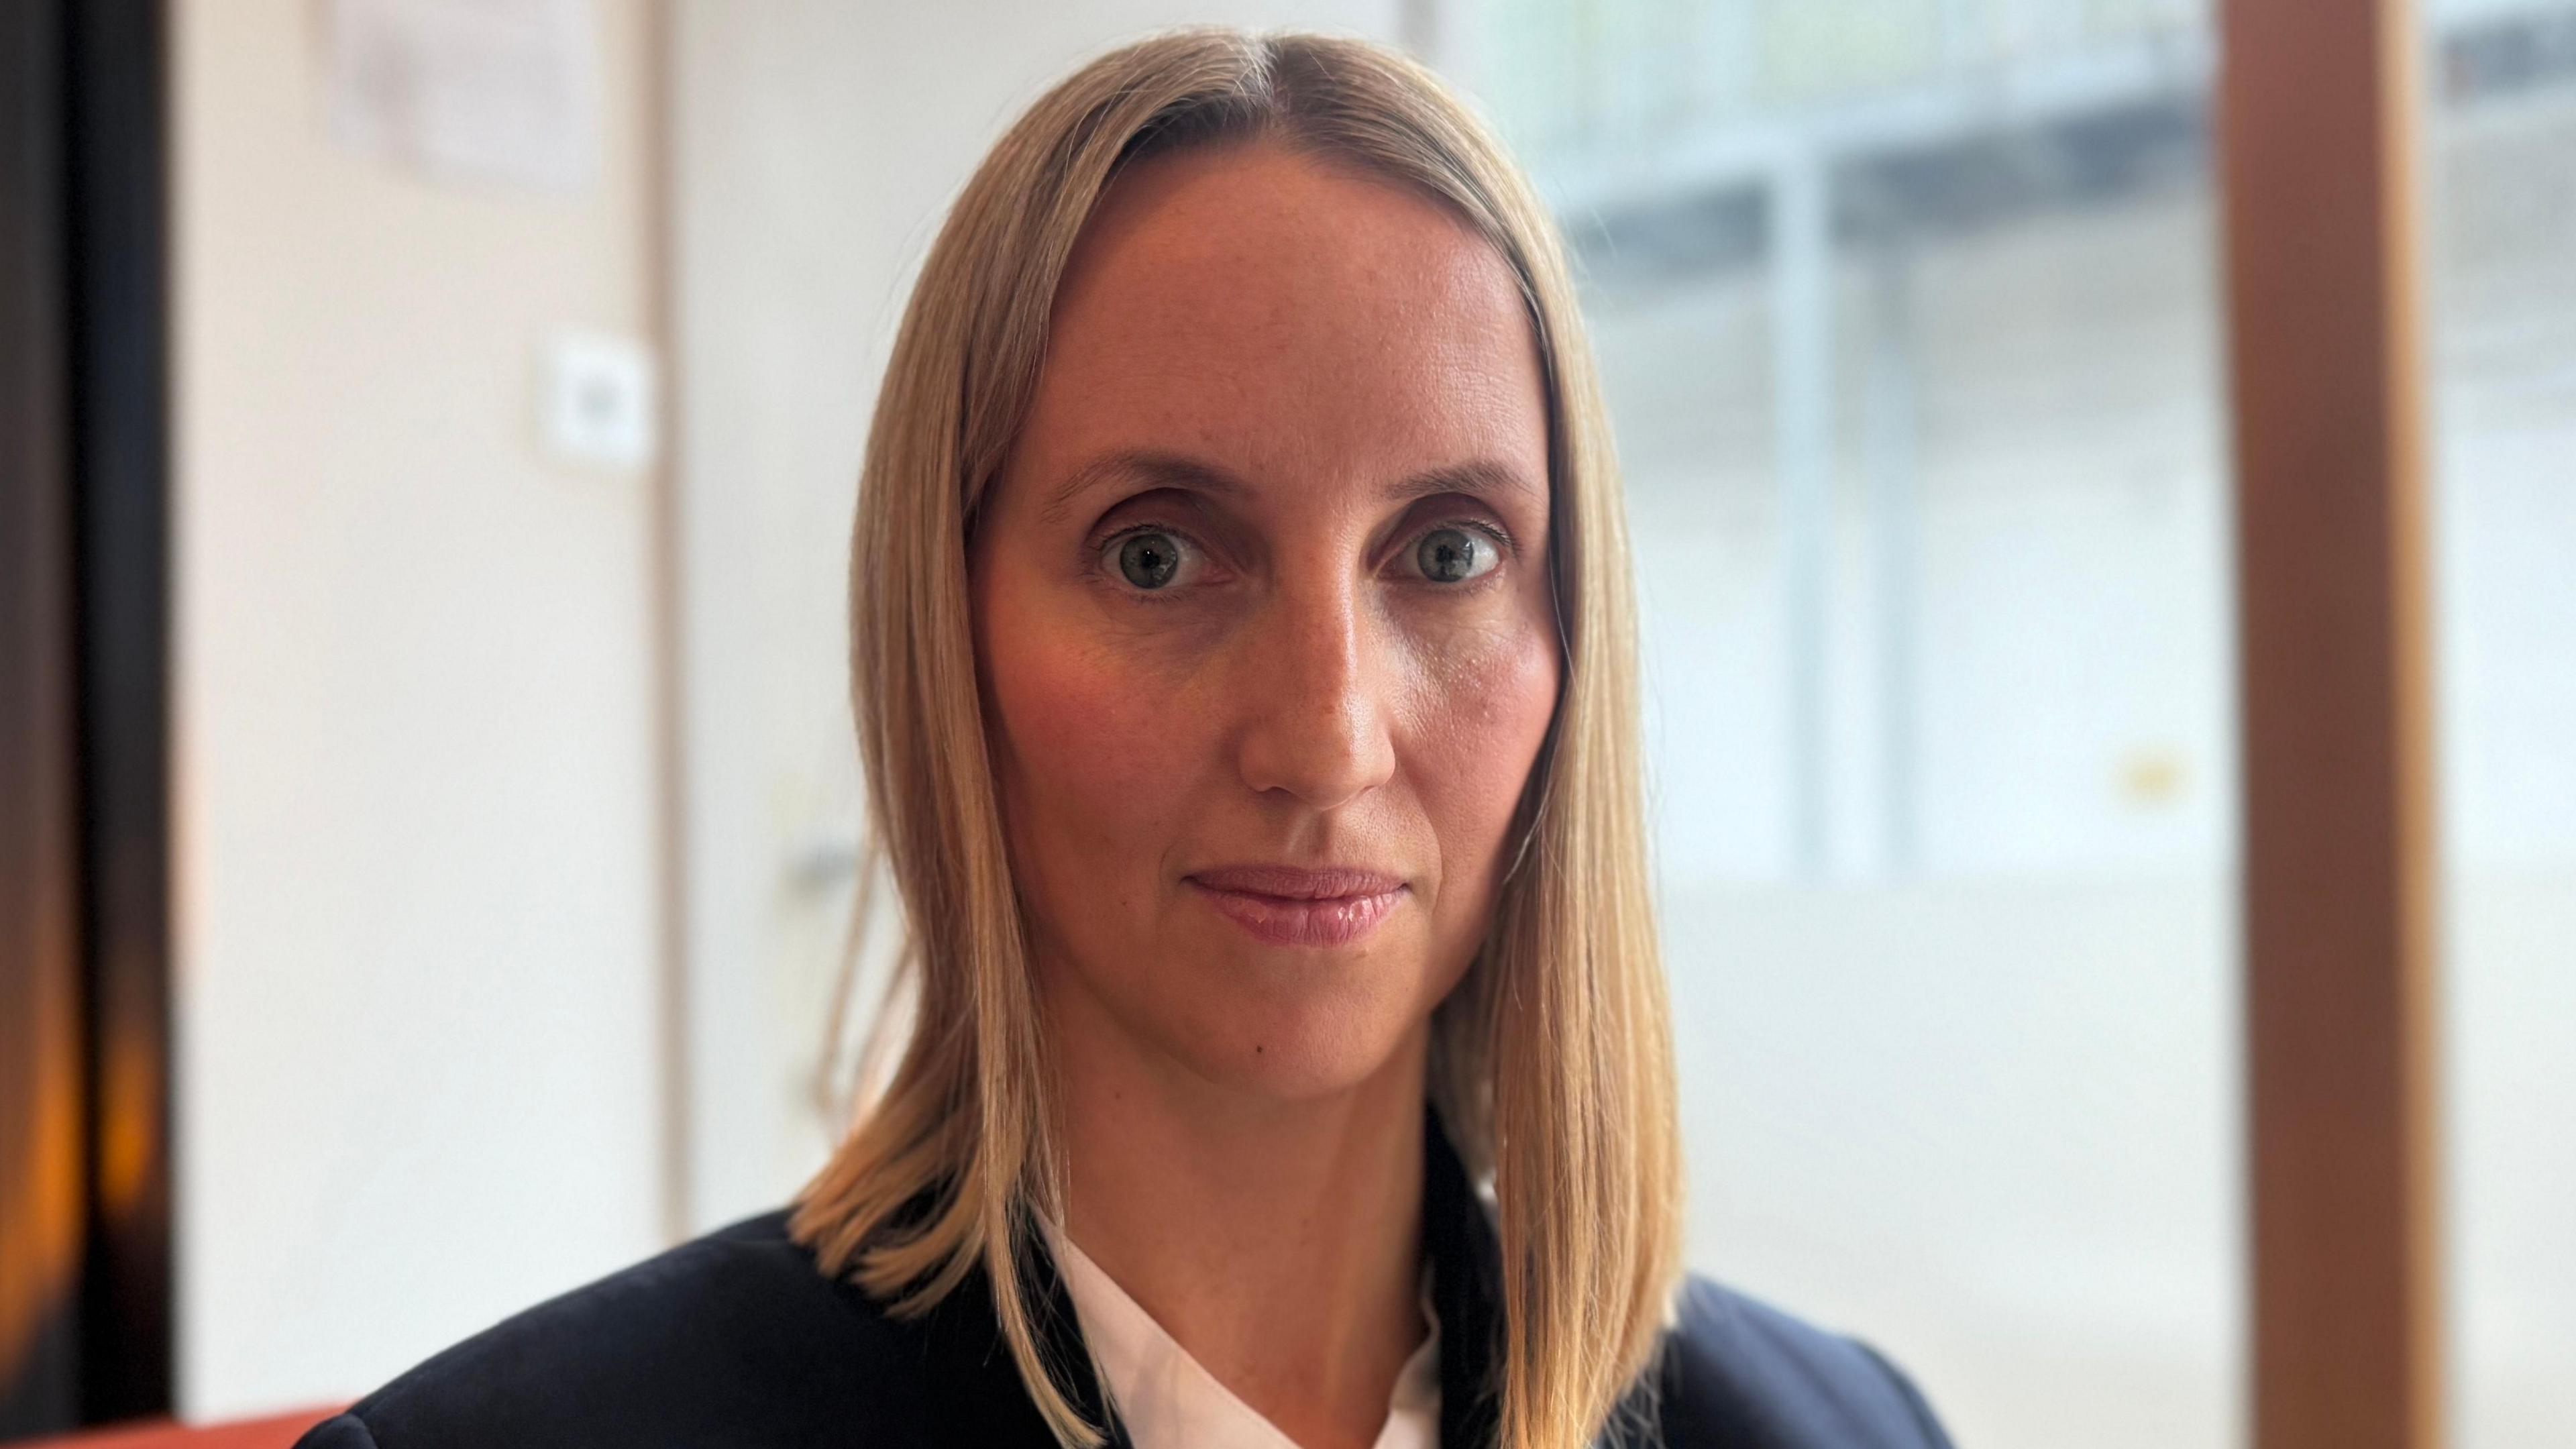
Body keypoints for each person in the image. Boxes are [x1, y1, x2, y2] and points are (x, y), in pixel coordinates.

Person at [297, 29, 1953, 1449]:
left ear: (1569, 642)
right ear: (946, 635)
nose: (1326, 736)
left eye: (1446, 553)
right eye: (1158, 552)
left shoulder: (1841, 1429)